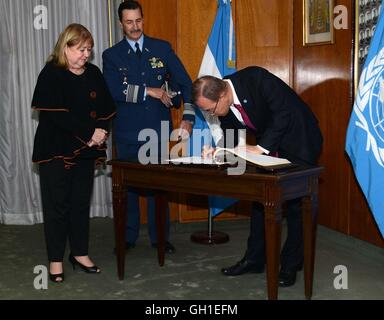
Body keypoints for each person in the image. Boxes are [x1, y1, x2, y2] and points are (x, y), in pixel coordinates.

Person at [191, 66, 323, 287]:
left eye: (211, 110)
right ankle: (254, 259)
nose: (211, 116)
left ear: (222, 95)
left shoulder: (257, 78)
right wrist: (219, 152)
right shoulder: (223, 104)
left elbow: (284, 114)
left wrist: (260, 148)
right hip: (272, 144)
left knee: (296, 206)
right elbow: (230, 133)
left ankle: (290, 265)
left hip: (300, 139)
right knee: (261, 200)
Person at [102, 0, 195, 254]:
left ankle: (160, 238)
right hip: (127, 131)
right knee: (128, 188)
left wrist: (187, 117)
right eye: (129, 22)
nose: (135, 27)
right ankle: (128, 236)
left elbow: (186, 85)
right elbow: (113, 90)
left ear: (143, 19)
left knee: (158, 187)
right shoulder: (111, 55)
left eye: (139, 21)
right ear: (121, 24)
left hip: (158, 131)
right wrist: (150, 91)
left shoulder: (161, 48)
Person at [31, 23, 116, 283]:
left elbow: (105, 108)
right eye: (80, 49)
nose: (86, 55)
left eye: (89, 49)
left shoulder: (93, 73)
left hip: (86, 151)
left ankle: (79, 253)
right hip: (56, 150)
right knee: (57, 207)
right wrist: (90, 133)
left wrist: (100, 131)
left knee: (80, 204)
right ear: (65, 48)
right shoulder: (51, 73)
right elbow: (56, 116)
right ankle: (55, 259)